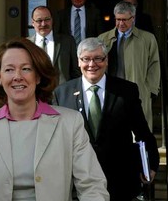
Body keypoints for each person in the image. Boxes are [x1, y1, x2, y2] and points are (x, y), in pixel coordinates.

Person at [0, 37, 110, 201]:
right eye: (9, 70)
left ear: (38, 76)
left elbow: (93, 188)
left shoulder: (70, 123)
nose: (17, 76)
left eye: (26, 69)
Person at [53, 37, 160, 201]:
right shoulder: (62, 93)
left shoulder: (126, 90)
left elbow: (142, 131)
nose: (92, 64)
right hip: (77, 181)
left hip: (119, 179)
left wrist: (150, 164)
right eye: (86, 59)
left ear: (107, 60)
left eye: (98, 58)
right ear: (78, 61)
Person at [98, 1, 161, 131]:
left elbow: (154, 65)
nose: (121, 24)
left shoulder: (147, 39)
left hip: (138, 92)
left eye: (125, 20)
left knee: (139, 132)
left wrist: (150, 89)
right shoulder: (103, 39)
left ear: (133, 18)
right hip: (111, 92)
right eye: (118, 19)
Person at [28, 5, 81, 85]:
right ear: (33, 23)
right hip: (35, 93)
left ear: (52, 20)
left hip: (62, 93)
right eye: (39, 20)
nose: (43, 24)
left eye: (47, 19)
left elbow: (75, 71)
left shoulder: (67, 41)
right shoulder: (26, 44)